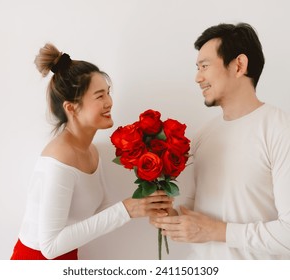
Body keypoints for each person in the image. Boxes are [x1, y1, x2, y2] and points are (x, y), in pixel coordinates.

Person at [151, 23, 290, 259]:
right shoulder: (203, 136)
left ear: (239, 65)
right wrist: (169, 217)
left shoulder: (286, 134)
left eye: (205, 66)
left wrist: (218, 231)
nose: (197, 77)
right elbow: (191, 210)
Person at [10, 43, 173, 260]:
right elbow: (49, 247)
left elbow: (100, 209)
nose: (109, 102)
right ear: (71, 108)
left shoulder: (91, 151)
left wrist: (145, 204)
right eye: (99, 96)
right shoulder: (60, 157)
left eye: (108, 93)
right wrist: (127, 209)